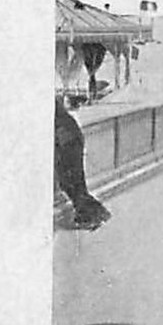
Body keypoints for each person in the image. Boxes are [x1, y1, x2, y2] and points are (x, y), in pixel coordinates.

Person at [54, 95, 110, 230]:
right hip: (72, 138)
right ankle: (96, 213)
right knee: (76, 181)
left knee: (69, 182)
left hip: (66, 141)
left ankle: (93, 214)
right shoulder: (55, 106)